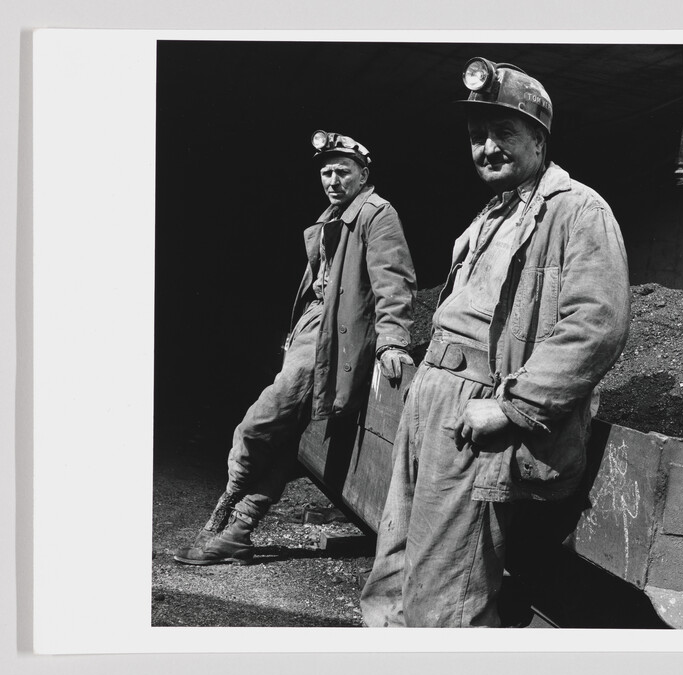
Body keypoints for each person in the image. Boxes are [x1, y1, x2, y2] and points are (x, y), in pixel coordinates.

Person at [360, 58, 631, 627]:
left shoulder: (578, 210)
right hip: (430, 398)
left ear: (538, 137)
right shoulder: (492, 214)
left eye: (502, 132)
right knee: (392, 569)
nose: (486, 148)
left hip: (475, 413)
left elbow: (595, 325)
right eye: (476, 136)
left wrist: (513, 407)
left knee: (445, 594)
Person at [174, 131, 416, 566]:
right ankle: (238, 531)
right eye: (326, 172)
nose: (333, 179)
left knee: (256, 426)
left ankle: (224, 510)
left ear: (364, 174)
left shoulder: (377, 215)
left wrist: (393, 341)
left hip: (332, 343)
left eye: (343, 171)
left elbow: (393, 282)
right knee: (289, 439)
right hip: (310, 335)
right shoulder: (333, 217)